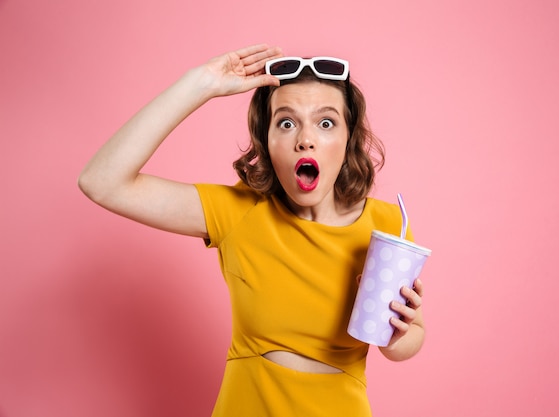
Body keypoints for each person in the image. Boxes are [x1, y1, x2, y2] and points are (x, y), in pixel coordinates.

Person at [78, 44, 425, 416]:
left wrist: (399, 335)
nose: (305, 139)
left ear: (347, 138)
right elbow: (101, 181)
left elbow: (410, 338)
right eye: (286, 122)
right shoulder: (239, 212)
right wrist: (200, 84)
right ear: (267, 139)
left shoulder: (386, 226)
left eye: (326, 123)